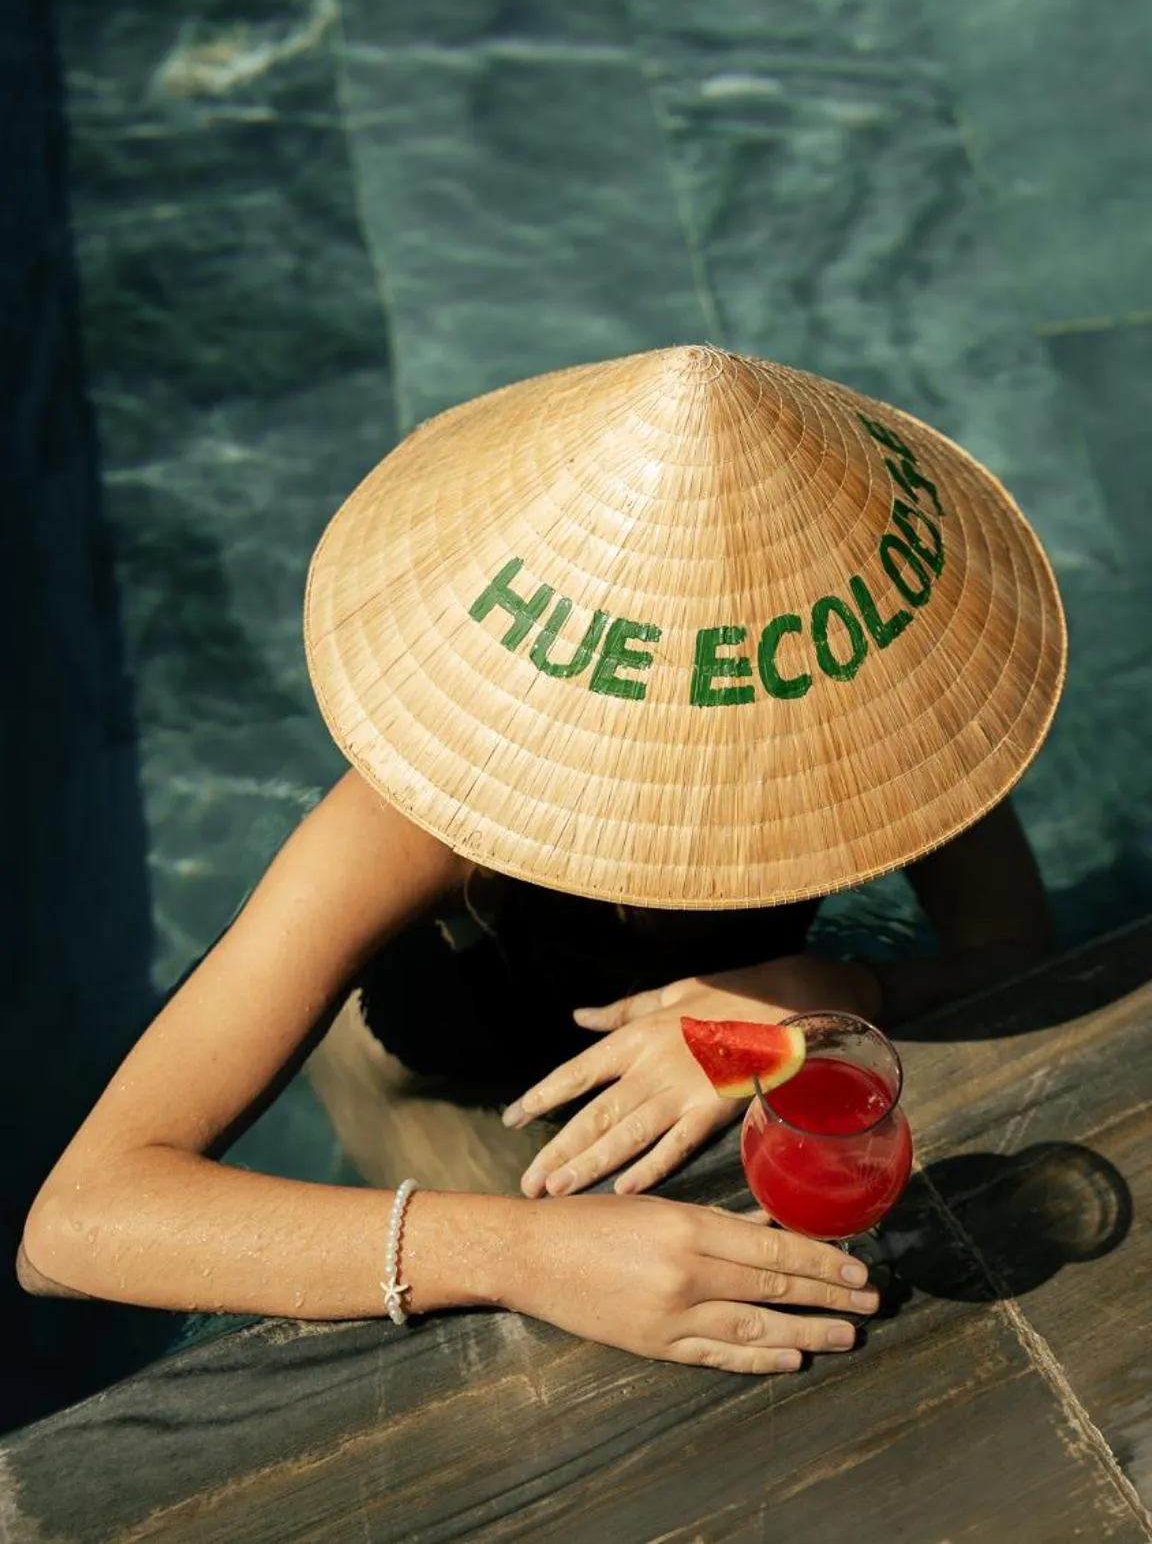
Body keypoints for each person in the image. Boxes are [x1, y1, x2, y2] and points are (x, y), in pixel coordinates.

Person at [18, 346, 1065, 1378]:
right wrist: (518, 1253)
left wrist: (813, 998)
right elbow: (75, 1225)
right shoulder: (412, 819)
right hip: (444, 1077)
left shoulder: (891, 706)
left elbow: (1025, 967)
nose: (734, 804)